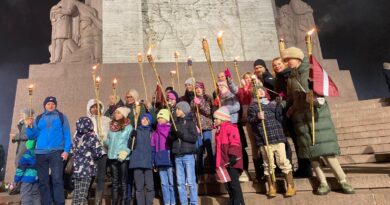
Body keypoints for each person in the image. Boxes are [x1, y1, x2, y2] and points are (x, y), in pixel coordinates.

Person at [281, 47, 354, 195]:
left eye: (289, 59)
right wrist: (282, 105)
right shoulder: (290, 78)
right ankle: (323, 182)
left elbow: (322, 90)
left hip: (317, 118)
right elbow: (290, 98)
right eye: (285, 60)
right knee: (312, 153)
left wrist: (316, 99)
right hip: (301, 120)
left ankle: (343, 180)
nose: (287, 62)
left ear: (298, 58)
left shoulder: (311, 71)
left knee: (327, 152)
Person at [248, 85, 295, 197]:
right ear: (254, 93)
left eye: (262, 90)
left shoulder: (272, 105)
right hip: (264, 139)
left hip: (277, 136)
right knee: (268, 164)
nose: (261, 92)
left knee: (283, 161)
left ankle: (290, 186)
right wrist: (256, 117)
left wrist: (280, 102)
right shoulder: (253, 107)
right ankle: (271, 186)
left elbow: (279, 116)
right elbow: (250, 120)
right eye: (258, 91)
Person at [26, 96, 71, 205]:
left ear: (55, 105)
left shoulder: (61, 117)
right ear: (44, 106)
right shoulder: (39, 118)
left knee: (57, 180)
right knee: (43, 181)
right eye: (48, 104)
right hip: (40, 153)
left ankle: (59, 203)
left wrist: (66, 150)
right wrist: (30, 126)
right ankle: (46, 202)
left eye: (52, 104)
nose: (50, 106)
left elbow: (67, 135)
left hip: (56, 152)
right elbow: (32, 136)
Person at [272, 57, 311, 178]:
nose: (277, 66)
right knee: (295, 140)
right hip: (285, 112)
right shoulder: (278, 79)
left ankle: (306, 168)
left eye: (279, 64)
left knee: (300, 141)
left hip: (294, 111)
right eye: (274, 65)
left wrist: (290, 106)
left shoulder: (290, 75)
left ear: (285, 64)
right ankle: (302, 167)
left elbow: (294, 94)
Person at [218, 80, 250, 181]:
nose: (220, 88)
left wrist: (224, 109)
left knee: (240, 147)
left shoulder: (232, 95)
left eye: (222, 86)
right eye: (219, 87)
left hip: (234, 123)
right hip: (225, 126)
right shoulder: (220, 98)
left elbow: (237, 107)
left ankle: (244, 169)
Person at [213, 107, 245, 205]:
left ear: (222, 119)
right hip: (223, 163)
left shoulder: (230, 127)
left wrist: (233, 155)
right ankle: (233, 201)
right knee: (228, 185)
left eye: (216, 118)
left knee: (234, 185)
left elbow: (235, 142)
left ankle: (239, 203)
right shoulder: (218, 132)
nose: (214, 120)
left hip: (232, 162)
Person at [169, 102, 198, 205]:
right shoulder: (174, 123)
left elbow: (194, 138)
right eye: (176, 109)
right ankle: (183, 202)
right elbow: (171, 138)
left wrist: (182, 136)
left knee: (190, 181)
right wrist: (172, 135)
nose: (176, 111)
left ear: (184, 110)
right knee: (180, 183)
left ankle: (193, 202)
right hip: (177, 155)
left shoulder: (190, 123)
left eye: (178, 109)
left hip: (188, 155)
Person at [72, 117, 105, 205]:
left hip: (77, 169)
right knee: (83, 193)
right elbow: (98, 153)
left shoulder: (76, 136)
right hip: (87, 169)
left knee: (77, 193)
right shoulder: (92, 136)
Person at [104, 107, 133, 204]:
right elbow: (109, 141)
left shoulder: (128, 127)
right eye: (115, 112)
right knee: (115, 182)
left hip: (122, 157)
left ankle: (124, 202)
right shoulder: (112, 126)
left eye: (119, 113)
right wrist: (104, 140)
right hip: (112, 157)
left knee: (123, 182)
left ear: (123, 115)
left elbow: (131, 143)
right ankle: (115, 202)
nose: (116, 114)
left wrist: (125, 152)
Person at [86, 99, 111, 204]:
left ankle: (98, 200)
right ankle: (86, 197)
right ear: (90, 108)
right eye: (93, 107)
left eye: (97, 107)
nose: (95, 109)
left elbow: (111, 134)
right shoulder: (86, 120)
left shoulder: (106, 120)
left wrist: (104, 138)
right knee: (89, 175)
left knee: (101, 176)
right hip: (90, 152)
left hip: (102, 151)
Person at [191, 81, 216, 182]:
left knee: (209, 149)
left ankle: (212, 172)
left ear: (203, 88)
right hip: (197, 128)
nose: (198, 90)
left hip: (206, 127)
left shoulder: (208, 98)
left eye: (199, 87)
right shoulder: (193, 100)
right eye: (196, 88)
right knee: (199, 150)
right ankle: (200, 174)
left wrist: (200, 104)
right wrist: (194, 125)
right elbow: (192, 114)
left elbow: (208, 111)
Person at [129, 113, 155, 205]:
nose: (144, 120)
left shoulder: (152, 133)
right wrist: (132, 137)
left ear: (150, 122)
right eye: (143, 119)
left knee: (150, 187)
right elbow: (130, 146)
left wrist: (154, 162)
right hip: (137, 162)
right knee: (139, 187)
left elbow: (153, 149)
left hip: (148, 162)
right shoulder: (136, 131)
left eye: (147, 119)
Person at [151, 109, 176, 205]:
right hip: (159, 158)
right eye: (158, 118)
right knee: (164, 184)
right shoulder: (155, 133)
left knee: (171, 182)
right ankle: (167, 202)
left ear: (166, 118)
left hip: (168, 156)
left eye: (162, 118)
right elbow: (153, 147)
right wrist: (153, 161)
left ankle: (172, 202)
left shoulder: (170, 129)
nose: (159, 120)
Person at [9, 108, 34, 195]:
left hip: (25, 147)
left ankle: (19, 186)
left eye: (22, 113)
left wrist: (15, 136)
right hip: (20, 147)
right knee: (19, 164)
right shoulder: (22, 123)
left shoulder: (30, 123)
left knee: (20, 164)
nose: (21, 115)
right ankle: (19, 185)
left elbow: (27, 135)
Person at [13, 140, 40, 205]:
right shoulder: (38, 156)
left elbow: (20, 170)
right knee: (35, 195)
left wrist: (16, 179)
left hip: (26, 180)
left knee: (25, 195)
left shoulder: (25, 157)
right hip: (36, 179)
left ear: (27, 146)